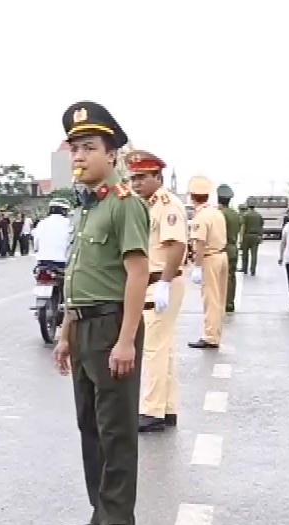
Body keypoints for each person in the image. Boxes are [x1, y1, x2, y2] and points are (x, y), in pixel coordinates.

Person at [51, 101, 149, 525]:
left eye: (89, 147)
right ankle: (99, 514)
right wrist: (66, 334)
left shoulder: (125, 205)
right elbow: (76, 277)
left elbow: (136, 273)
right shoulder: (83, 208)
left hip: (112, 326)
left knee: (116, 434)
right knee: (89, 428)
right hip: (84, 325)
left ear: (112, 155)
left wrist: (126, 340)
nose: (79, 156)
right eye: (74, 148)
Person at [126, 150, 188, 433]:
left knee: (152, 347)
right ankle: (166, 408)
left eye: (142, 178)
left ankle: (151, 411)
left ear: (158, 177)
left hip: (162, 282)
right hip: (155, 282)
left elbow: (176, 246)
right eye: (133, 178)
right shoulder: (146, 205)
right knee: (164, 348)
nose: (136, 183)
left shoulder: (167, 205)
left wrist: (163, 282)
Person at [187, 176, 228, 349]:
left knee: (210, 299)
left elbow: (200, 243)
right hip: (221, 256)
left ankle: (210, 336)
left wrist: (197, 267)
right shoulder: (216, 213)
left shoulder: (201, 217)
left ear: (191, 196)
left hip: (210, 259)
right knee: (219, 299)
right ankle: (216, 333)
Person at [216, 185, 240, 313]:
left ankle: (222, 301)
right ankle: (230, 302)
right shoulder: (235, 214)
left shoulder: (219, 214)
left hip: (222, 248)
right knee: (231, 277)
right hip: (233, 247)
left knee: (220, 278)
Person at [31, 198, 72, 267]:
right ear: (64, 211)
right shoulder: (69, 223)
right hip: (62, 262)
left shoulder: (42, 223)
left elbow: (36, 243)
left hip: (43, 261)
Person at [239, 203, 264, 275]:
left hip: (246, 236)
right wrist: (260, 236)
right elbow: (261, 226)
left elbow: (243, 227)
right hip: (255, 236)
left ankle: (245, 269)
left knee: (245, 254)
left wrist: (241, 239)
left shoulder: (245, 215)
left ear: (248, 207)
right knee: (254, 254)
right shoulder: (258, 215)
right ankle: (253, 270)